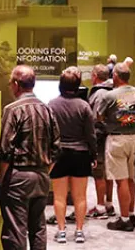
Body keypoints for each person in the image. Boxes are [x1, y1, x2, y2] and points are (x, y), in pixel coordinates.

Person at [0, 65, 61, 250]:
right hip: (42, 176)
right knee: (38, 228)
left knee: (16, 230)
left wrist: (3, 181)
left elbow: (5, 150)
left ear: (16, 84)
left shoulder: (12, 110)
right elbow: (57, 148)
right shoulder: (47, 109)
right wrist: (44, 170)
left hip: (18, 176)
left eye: (11, 83)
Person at [47, 67, 97, 244]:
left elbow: (48, 132)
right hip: (80, 154)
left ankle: (61, 231)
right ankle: (79, 230)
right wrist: (94, 154)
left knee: (59, 196)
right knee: (80, 196)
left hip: (59, 154)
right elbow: (90, 134)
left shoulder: (52, 104)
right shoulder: (84, 106)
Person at [95, 62, 135, 232]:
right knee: (132, 179)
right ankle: (131, 214)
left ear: (115, 76)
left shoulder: (110, 96)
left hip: (117, 139)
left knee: (121, 180)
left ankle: (123, 219)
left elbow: (99, 116)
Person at [86, 64, 115, 219]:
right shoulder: (112, 91)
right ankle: (108, 203)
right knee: (108, 172)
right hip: (111, 136)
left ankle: (101, 207)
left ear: (95, 76)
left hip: (100, 138)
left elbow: (97, 119)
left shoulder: (99, 94)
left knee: (99, 173)